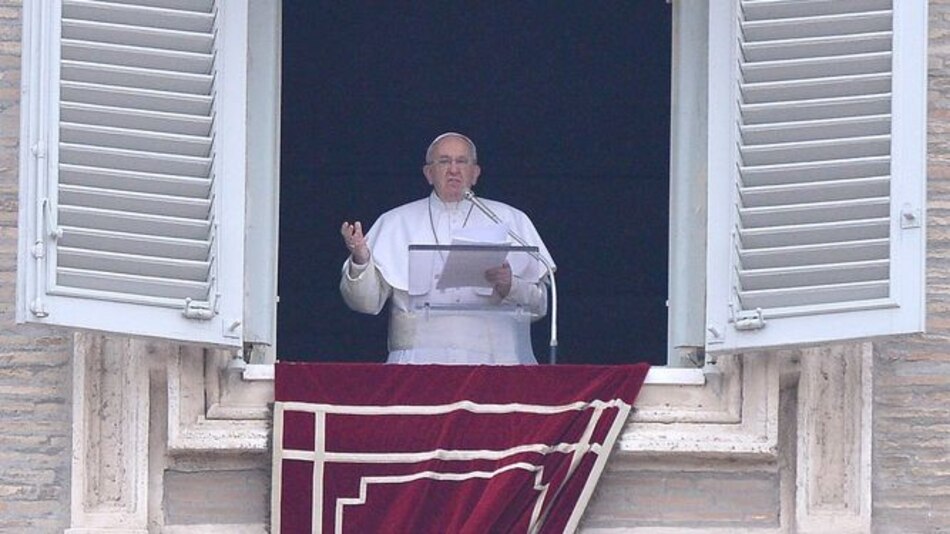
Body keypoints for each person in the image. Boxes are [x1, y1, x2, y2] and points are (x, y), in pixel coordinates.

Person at [339, 132, 555, 365]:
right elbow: (366, 303)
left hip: (499, 362)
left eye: (462, 161)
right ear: (428, 174)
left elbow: (540, 306)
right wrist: (361, 260)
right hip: (417, 365)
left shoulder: (512, 220)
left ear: (475, 173)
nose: (453, 169)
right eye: (444, 161)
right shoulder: (395, 222)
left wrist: (511, 285)